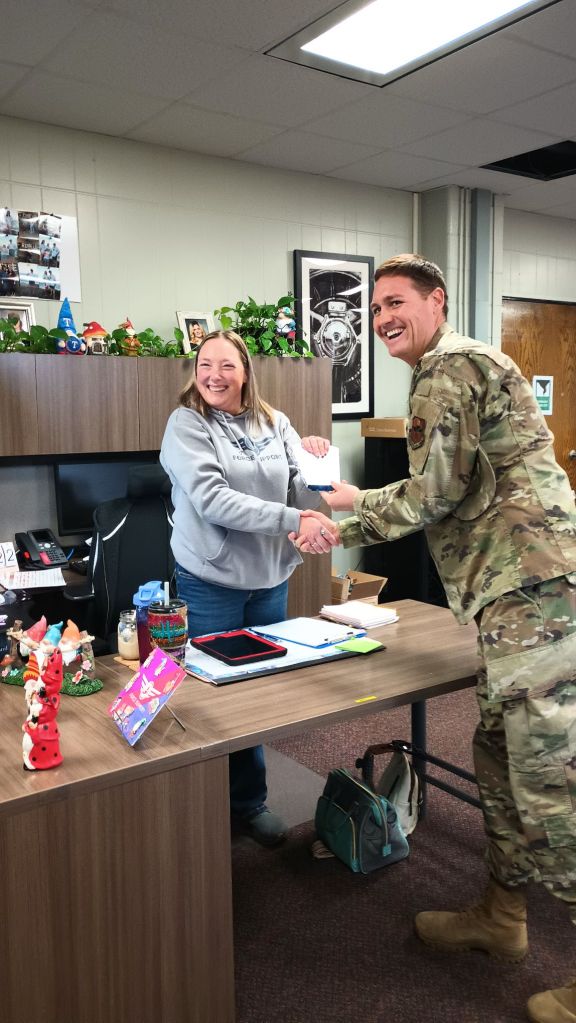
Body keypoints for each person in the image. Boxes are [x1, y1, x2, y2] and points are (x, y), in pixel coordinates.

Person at [293, 254, 576, 1023]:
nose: (383, 317)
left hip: (534, 594)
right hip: (515, 595)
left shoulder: (447, 369)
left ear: (436, 301)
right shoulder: (457, 365)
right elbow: (455, 488)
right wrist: (352, 501)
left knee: (548, 782)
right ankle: (503, 917)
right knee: (498, 756)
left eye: (397, 301)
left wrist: (343, 516)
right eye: (375, 307)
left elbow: (433, 494)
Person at [160, 329, 334, 847]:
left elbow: (305, 496)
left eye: (226, 365)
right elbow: (213, 500)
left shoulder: (275, 421)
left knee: (258, 692)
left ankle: (248, 802)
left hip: (269, 577)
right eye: (205, 364)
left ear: (245, 372)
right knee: (212, 695)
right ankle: (198, 806)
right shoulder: (187, 423)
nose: (214, 375)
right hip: (211, 579)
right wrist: (293, 518)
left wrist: (317, 464)